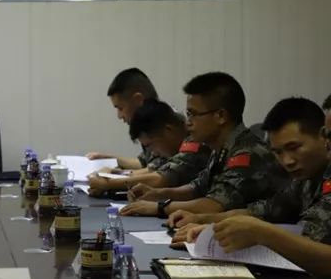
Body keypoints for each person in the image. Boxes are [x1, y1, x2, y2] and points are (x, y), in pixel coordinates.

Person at [172, 98, 331, 276]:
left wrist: (262, 233)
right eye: (278, 152)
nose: (287, 161)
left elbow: (317, 251)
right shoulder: (305, 179)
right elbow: (264, 210)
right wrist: (214, 227)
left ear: (323, 136)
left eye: (294, 147)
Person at [120, 72, 289, 218]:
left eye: (193, 114)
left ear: (221, 116)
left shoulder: (247, 154)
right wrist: (158, 193)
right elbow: (197, 188)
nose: (188, 123)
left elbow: (213, 205)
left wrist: (160, 207)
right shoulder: (220, 149)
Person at [88, 99, 211, 195]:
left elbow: (161, 179)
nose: (154, 153)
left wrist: (109, 184)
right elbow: (152, 170)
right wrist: (115, 173)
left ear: (168, 130)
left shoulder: (195, 141)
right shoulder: (171, 143)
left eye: (151, 145)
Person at [86, 68, 167, 172]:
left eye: (120, 108)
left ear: (138, 100)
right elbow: (144, 163)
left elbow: (159, 173)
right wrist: (108, 158)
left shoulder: (166, 125)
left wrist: (116, 176)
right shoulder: (147, 125)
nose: (119, 116)